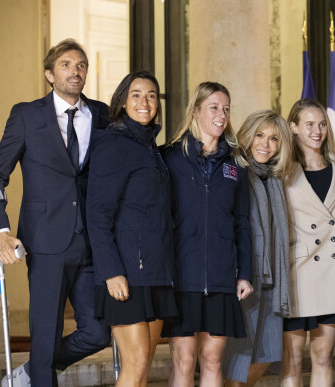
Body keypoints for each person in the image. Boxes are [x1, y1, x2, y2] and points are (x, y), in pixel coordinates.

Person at [0, 39, 111, 387]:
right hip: (44, 242)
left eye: (81, 64)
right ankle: (39, 369)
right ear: (49, 74)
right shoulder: (27, 114)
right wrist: (1, 231)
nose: (76, 70)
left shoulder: (101, 114)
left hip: (92, 244)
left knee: (98, 333)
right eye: (67, 64)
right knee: (45, 331)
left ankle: (33, 369)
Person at [86, 71, 177, 386]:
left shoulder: (151, 148)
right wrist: (111, 271)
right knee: (136, 363)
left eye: (151, 95)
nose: (145, 101)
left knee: (144, 365)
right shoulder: (113, 144)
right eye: (136, 94)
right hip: (126, 273)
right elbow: (97, 214)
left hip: (155, 272)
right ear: (123, 102)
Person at [160, 81, 253, 387]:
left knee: (213, 359)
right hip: (181, 276)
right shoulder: (170, 157)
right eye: (213, 107)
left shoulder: (236, 164)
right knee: (184, 360)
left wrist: (245, 273)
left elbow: (242, 222)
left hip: (221, 276)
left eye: (226, 109)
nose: (221, 114)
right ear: (196, 110)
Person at [280, 98, 335, 387]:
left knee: (323, 357)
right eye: (309, 124)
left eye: (322, 124)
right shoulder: (282, 169)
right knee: (293, 358)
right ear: (293, 127)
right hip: (296, 273)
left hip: (332, 275)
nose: (317, 130)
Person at [223, 110, 293, 386]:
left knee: (265, 356)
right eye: (260, 135)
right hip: (244, 276)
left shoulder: (275, 179)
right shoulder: (234, 172)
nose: (265, 143)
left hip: (272, 280)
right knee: (237, 358)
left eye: (274, 138)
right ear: (248, 135)